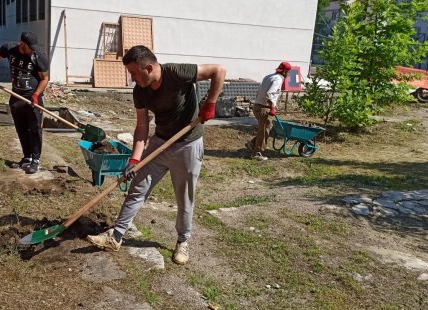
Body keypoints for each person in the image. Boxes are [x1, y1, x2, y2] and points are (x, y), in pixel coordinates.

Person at [86, 45, 226, 265]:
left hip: (188, 144)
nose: (132, 79)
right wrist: (134, 160)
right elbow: (142, 126)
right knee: (137, 187)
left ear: (149, 68)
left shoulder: (177, 73)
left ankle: (183, 241)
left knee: (184, 197)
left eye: (134, 73)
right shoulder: (140, 91)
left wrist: (210, 103)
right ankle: (116, 236)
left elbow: (219, 70)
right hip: (160, 143)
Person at [0, 32, 50, 174]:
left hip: (32, 98)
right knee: (21, 128)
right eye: (29, 47)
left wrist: (35, 95)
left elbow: (44, 79)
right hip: (16, 96)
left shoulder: (39, 56)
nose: (32, 50)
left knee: (34, 129)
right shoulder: (9, 49)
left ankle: (35, 160)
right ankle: (26, 158)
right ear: (22, 44)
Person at [246, 62, 291, 160]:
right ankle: (256, 153)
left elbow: (261, 91)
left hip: (257, 105)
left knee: (263, 129)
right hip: (264, 108)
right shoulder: (278, 79)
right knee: (264, 131)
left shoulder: (269, 76)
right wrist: (272, 108)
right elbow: (270, 94)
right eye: (288, 72)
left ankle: (252, 143)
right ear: (285, 71)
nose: (288, 74)